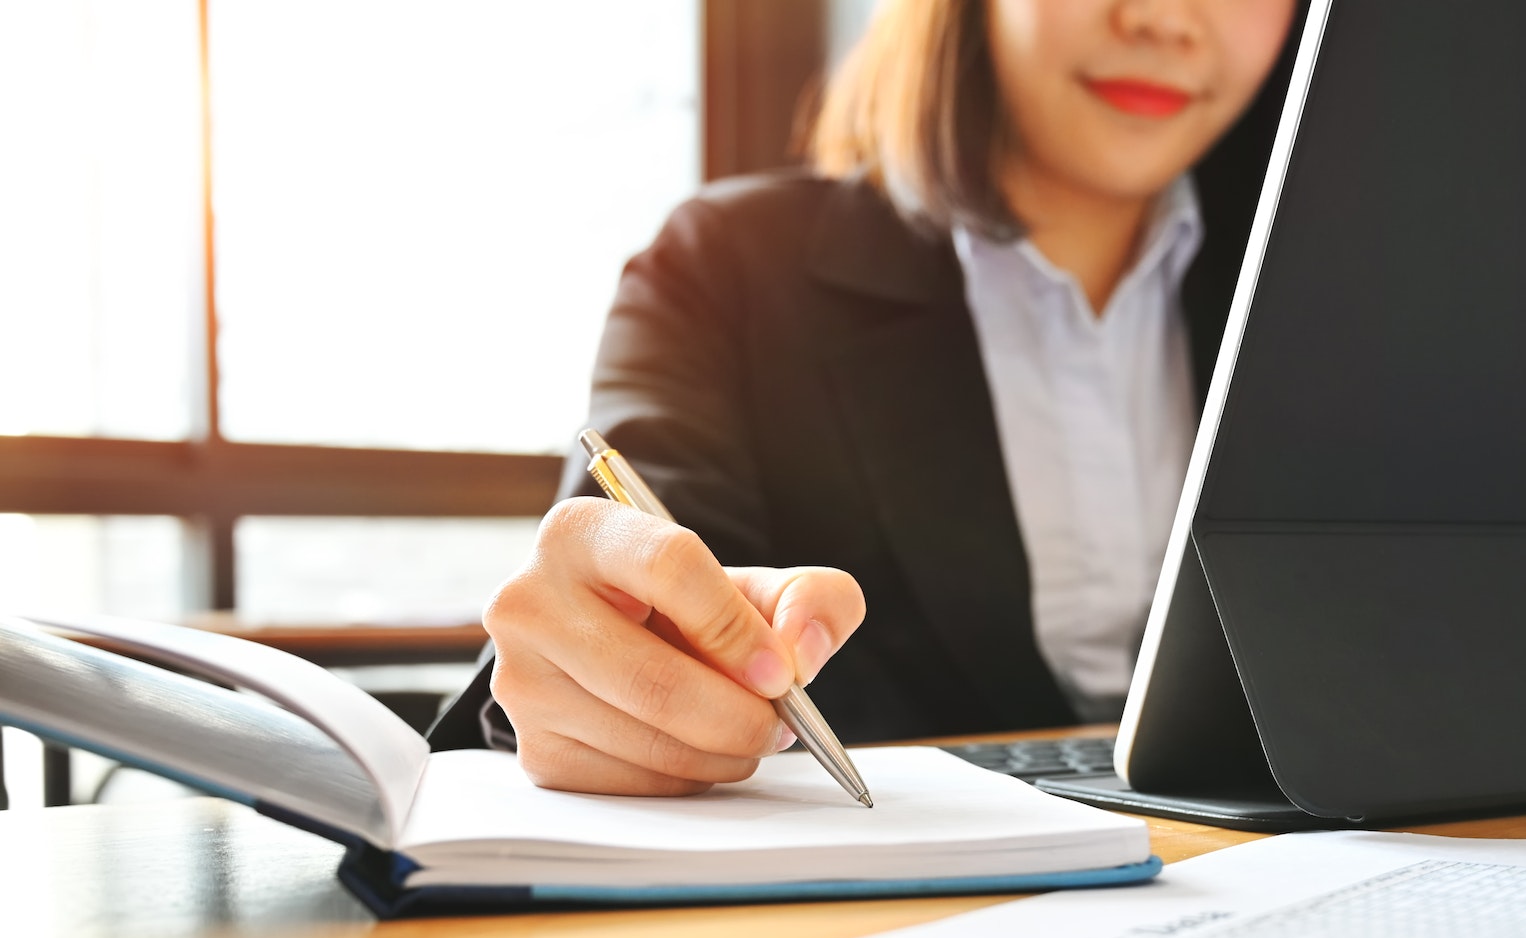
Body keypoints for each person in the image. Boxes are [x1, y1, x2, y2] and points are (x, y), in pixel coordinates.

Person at [430, 0, 1300, 795]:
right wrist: (593, 668)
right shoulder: (730, 268)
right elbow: (631, 601)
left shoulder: (1345, 284)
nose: (1162, 18)